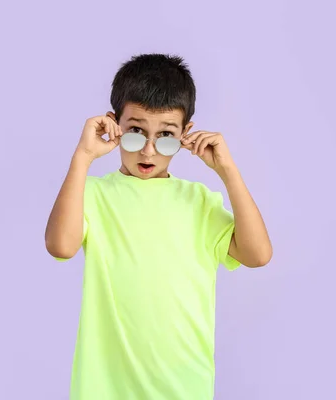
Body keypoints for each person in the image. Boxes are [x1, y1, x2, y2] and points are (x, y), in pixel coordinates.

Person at [45, 53, 273, 400]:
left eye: (165, 136)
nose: (149, 150)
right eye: (135, 132)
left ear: (186, 135)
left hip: (183, 389)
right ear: (113, 125)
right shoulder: (91, 193)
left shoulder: (199, 201)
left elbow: (258, 255)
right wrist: (82, 156)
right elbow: (61, 245)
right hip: (105, 390)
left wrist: (228, 171)